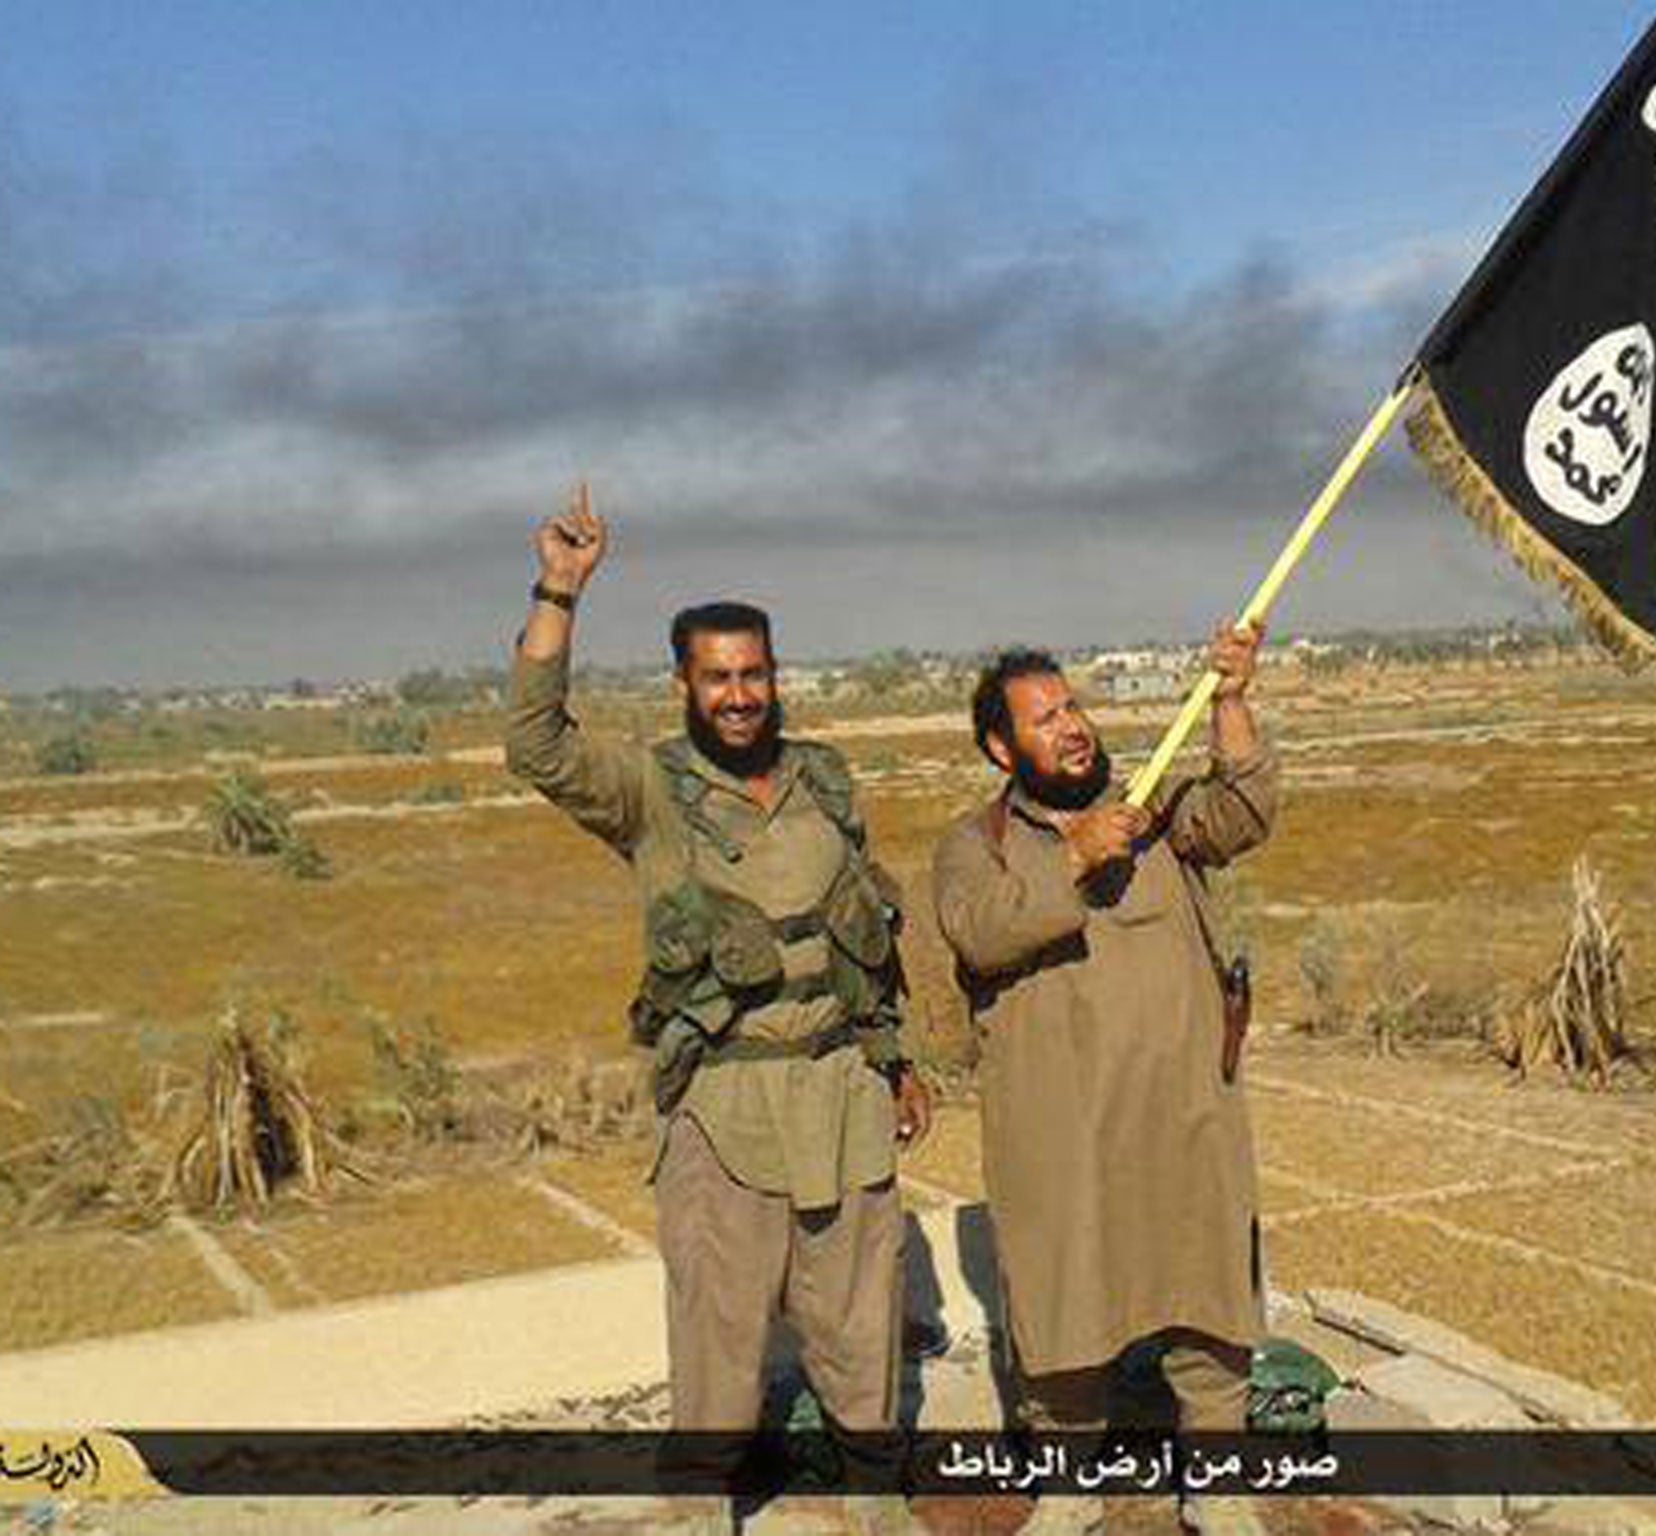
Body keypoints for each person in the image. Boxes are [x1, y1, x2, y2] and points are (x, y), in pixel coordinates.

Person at [504, 491, 931, 1534]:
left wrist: (897, 1057)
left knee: (860, 1332)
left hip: (841, 1093)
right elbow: (536, 744)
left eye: (753, 674)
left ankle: (872, 1507)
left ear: (773, 677)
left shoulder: (825, 782)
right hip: (724, 1110)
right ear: (684, 685)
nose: (738, 696)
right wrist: (559, 589)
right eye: (717, 678)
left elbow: (866, 931)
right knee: (718, 1345)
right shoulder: (649, 792)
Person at [929, 623, 1278, 1536]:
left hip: (1185, 1117)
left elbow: (1243, 813)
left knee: (1210, 1304)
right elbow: (981, 932)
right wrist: (1077, 856)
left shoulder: (1154, 809)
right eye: (1045, 719)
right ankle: (1071, 1485)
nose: (1072, 727)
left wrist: (1232, 701)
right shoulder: (977, 844)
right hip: (1063, 1137)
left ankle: (1220, 1485)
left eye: (1073, 707)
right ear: (1002, 749)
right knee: (1063, 1306)